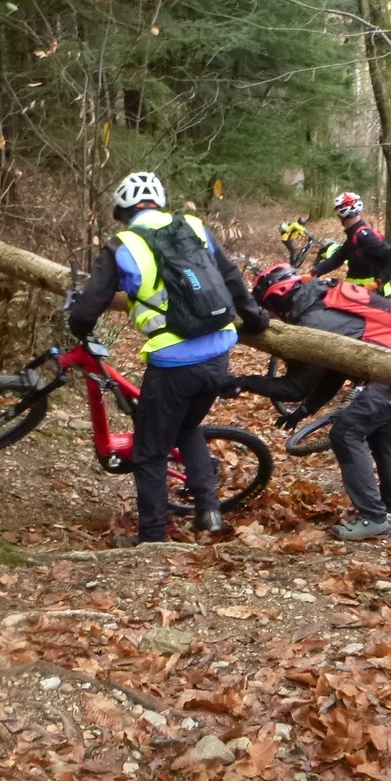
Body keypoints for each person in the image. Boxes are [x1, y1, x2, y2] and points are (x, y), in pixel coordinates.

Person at [68, 171, 269, 545]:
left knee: (149, 452)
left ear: (123, 212)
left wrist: (78, 326)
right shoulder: (193, 226)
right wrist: (256, 320)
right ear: (159, 203)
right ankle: (209, 509)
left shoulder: (122, 245)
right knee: (186, 426)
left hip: (173, 363)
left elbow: (89, 307)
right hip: (219, 352)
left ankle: (152, 538)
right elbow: (231, 277)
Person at [231, 264, 391, 540]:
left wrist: (242, 381)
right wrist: (305, 410)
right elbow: (334, 369)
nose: (270, 317)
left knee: (346, 433)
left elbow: (294, 387)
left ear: (279, 302)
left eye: (269, 310)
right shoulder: (321, 303)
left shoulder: (313, 323)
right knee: (381, 434)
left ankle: (373, 517)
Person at [311, 191, 391, 294]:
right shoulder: (353, 236)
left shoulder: (364, 237)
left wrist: (378, 282)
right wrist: (314, 272)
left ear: (342, 214)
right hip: (356, 292)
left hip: (371, 294)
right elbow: (337, 258)